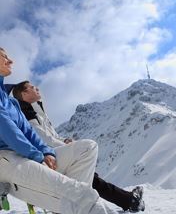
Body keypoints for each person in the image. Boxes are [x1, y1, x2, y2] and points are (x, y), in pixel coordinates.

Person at [0, 47, 119, 214]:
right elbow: (8, 130)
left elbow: (29, 132)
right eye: (4, 57)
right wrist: (38, 156)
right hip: (6, 159)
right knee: (83, 197)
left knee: (87, 148)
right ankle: (76, 201)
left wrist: (47, 152)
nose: (10, 61)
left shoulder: (11, 103)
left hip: (27, 154)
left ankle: (68, 203)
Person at [11, 81, 145, 213]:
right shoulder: (25, 111)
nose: (37, 88)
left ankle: (129, 200)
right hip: (45, 157)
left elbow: (51, 135)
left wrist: (65, 141)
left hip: (51, 153)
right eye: (32, 87)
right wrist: (68, 146)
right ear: (25, 93)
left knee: (89, 176)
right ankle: (125, 201)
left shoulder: (36, 109)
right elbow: (42, 139)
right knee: (87, 154)